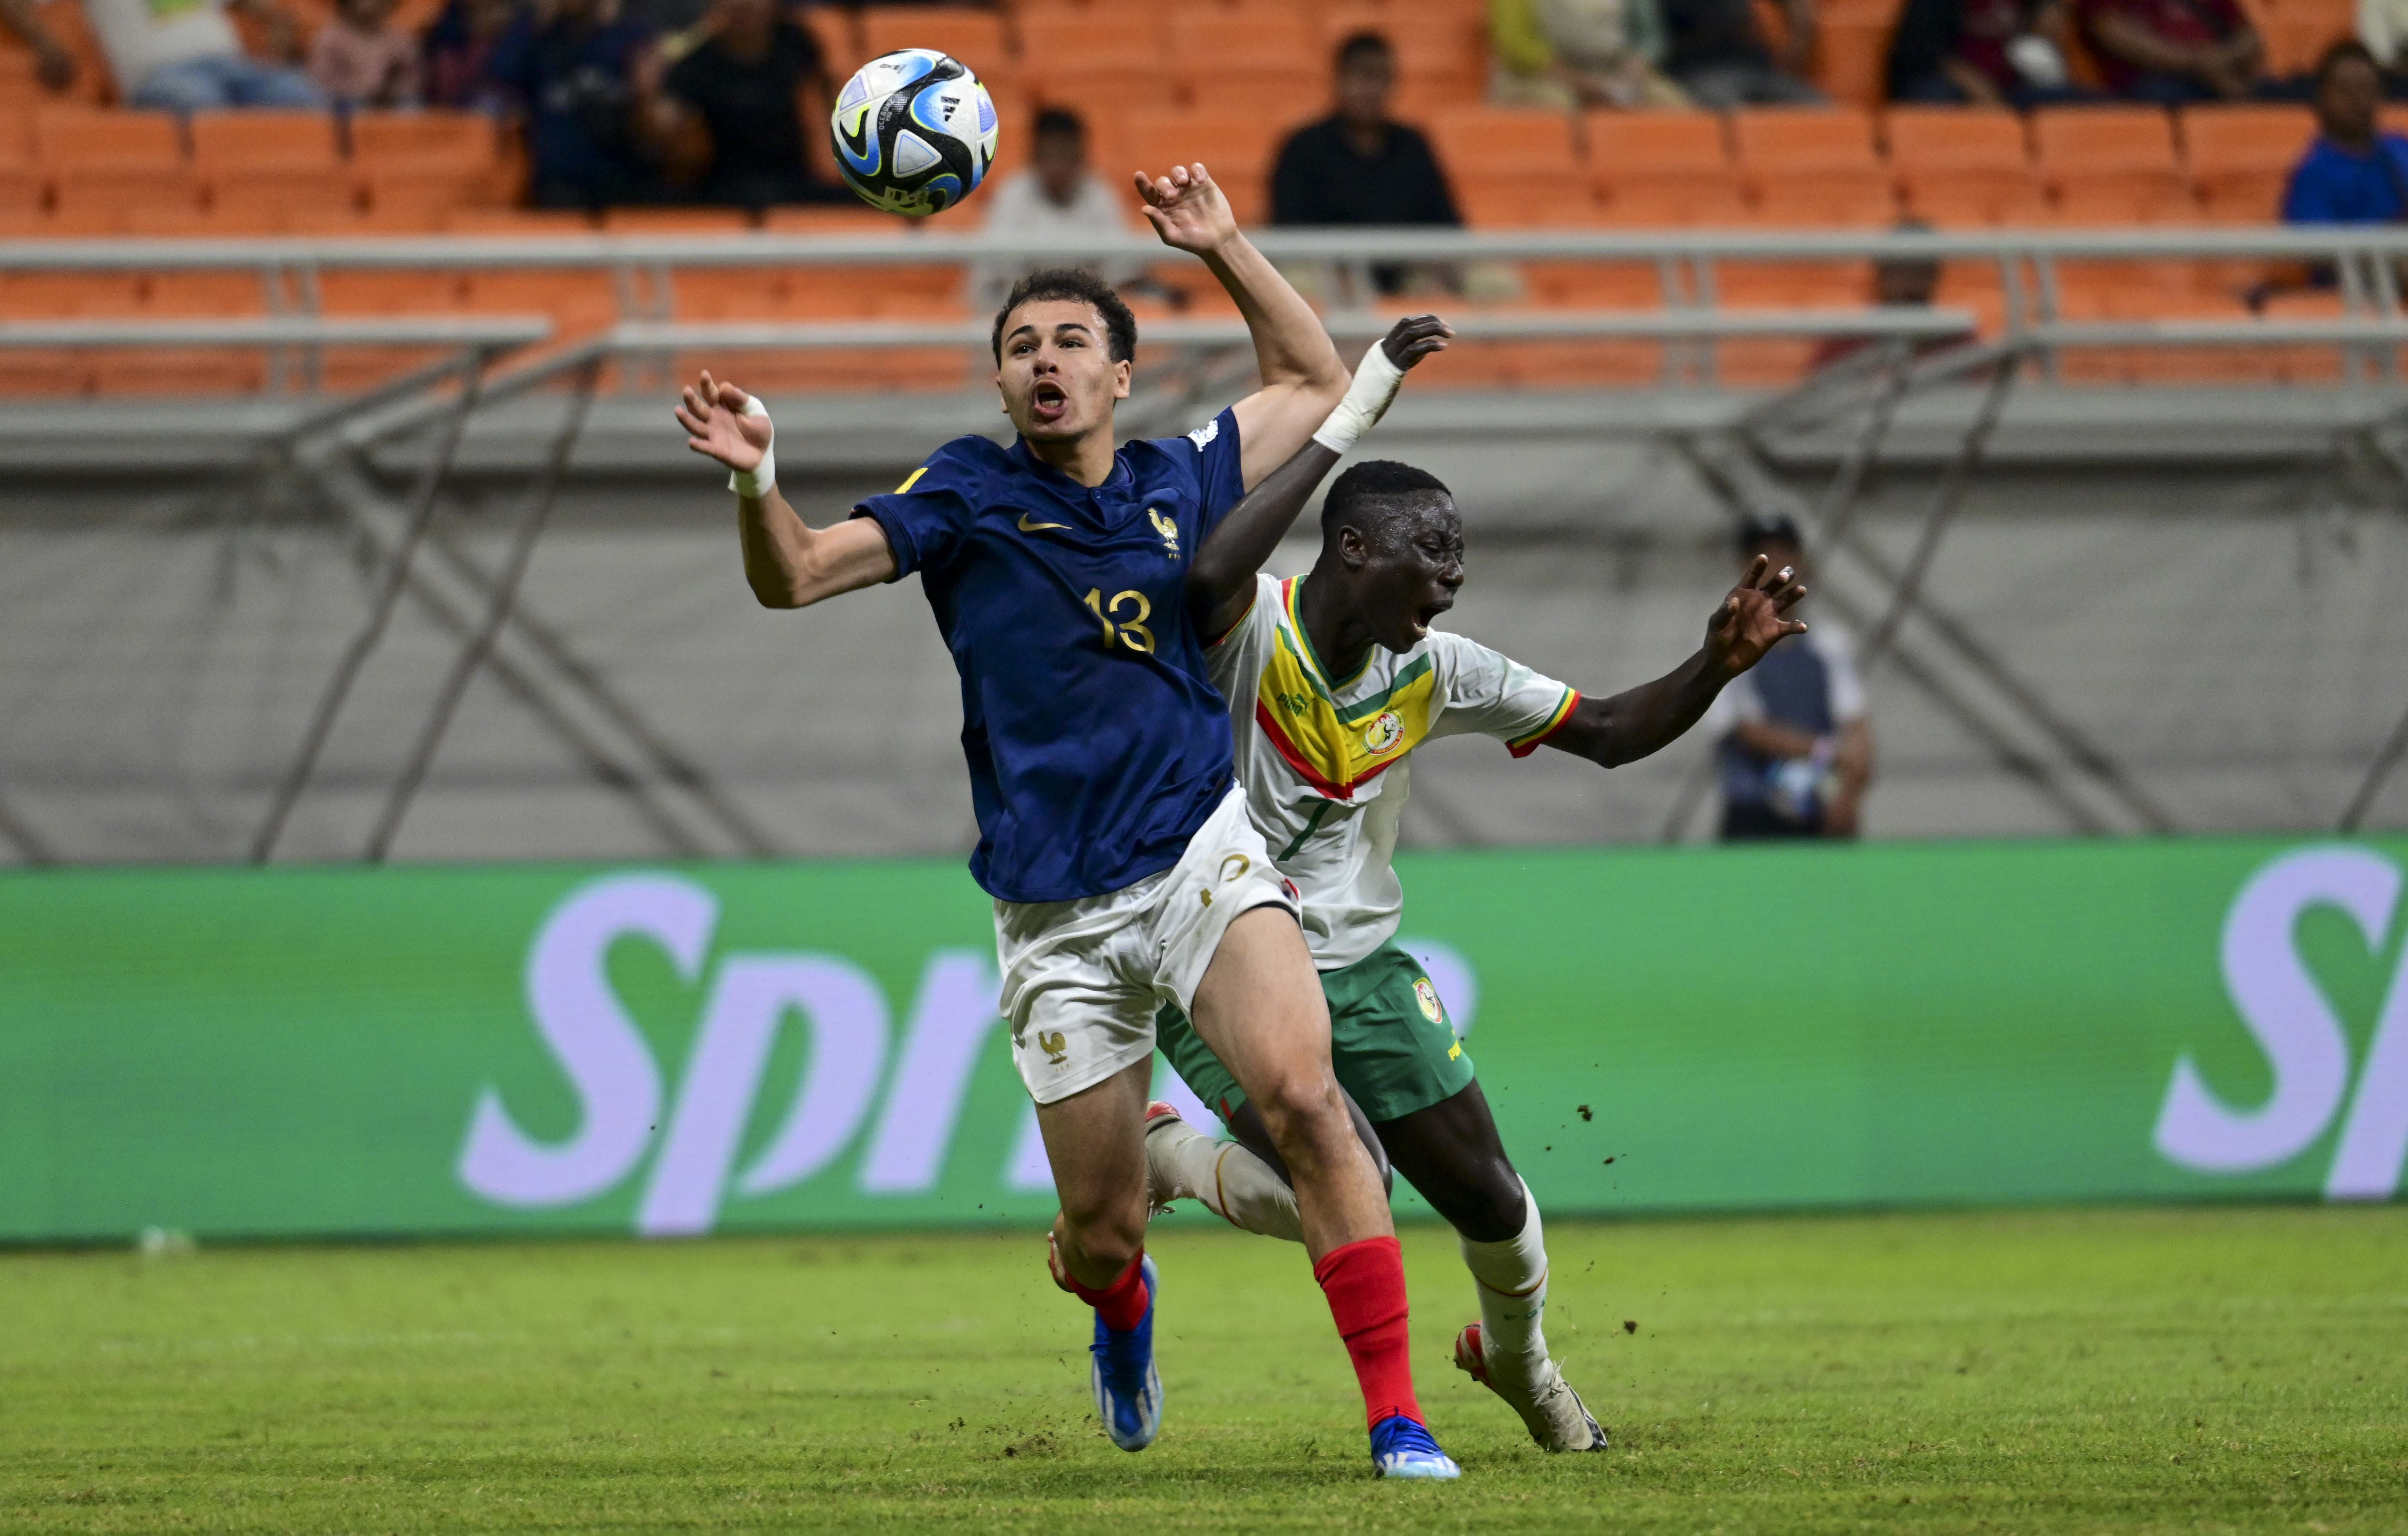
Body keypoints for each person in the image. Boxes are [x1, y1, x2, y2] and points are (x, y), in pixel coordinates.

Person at [672, 162, 1467, 1480]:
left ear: (1116, 375)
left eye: (1069, 344)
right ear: (999, 385)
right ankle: (1122, 1311)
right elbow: (798, 576)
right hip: (1051, 910)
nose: (1044, 362)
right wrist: (755, 482)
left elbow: (1316, 380)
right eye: (1019, 347)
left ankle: (1395, 1422)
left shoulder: (1181, 476)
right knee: (1098, 1236)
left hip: (1196, 856)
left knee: (1305, 1100)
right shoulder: (966, 497)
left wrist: (1221, 243)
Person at [1140, 451, 1808, 1451]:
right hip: (1217, 962)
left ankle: (1521, 1363)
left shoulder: (1441, 668)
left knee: (1492, 1196)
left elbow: (1615, 731)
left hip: (1359, 972)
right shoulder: (1247, 624)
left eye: (1461, 553)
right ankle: (1172, 1155)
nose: (1453, 575)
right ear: (1354, 548)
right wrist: (1346, 403)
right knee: (1346, 1175)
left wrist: (1715, 661)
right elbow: (1198, 577)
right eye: (1435, 549)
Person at [1704, 515, 1873, 840]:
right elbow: (1745, 729)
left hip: (1819, 813)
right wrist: (1828, 753)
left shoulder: (1829, 644)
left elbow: (1857, 725)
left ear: (1801, 564)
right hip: (1753, 815)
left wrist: (1848, 797)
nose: (1775, 570)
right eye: (1761, 560)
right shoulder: (1722, 646)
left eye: (1784, 556)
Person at [1271, 32, 1462, 296]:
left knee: (1492, 282)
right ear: (1339, 80)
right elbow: (1289, 229)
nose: (1372, 90)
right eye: (1362, 77)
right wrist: (1339, 267)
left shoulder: (1413, 146)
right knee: (1299, 285)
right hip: (1327, 272)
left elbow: (1447, 225)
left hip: (1408, 273)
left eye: (1381, 78)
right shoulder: (1303, 147)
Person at [647, 0, 835, 209]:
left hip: (793, 179)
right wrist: (650, 98)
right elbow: (667, 134)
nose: (744, 6)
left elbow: (826, 98)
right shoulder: (694, 66)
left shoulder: (795, 42)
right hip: (720, 187)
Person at [976, 108, 1149, 311]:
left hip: (1089, 311)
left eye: (1065, 154)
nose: (1058, 165)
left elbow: (1123, 271)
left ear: (1080, 155)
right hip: (1018, 308)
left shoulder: (1101, 194)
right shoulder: (1012, 194)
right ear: (1036, 156)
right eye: (1051, 154)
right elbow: (999, 272)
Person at [488, 0, 656, 209]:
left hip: (621, 178)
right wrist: (537, 23)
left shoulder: (630, 33)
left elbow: (650, 104)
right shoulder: (541, 36)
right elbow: (502, 76)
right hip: (556, 184)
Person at [0, 0, 323, 108]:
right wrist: (44, 43)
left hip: (231, 67)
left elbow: (260, 9)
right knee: (201, 106)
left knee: (301, 95)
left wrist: (277, 22)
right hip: (162, 76)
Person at [2284, 40, 2408, 223]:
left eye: (2368, 88)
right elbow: (2318, 248)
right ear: (2321, 99)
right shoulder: (2313, 176)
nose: (2359, 100)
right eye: (2347, 91)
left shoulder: (2400, 150)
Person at [1488, 0, 1688, 108]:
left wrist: (1636, 66)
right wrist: (1581, 82)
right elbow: (1518, 46)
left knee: (1673, 106)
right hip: (1536, 77)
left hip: (1614, 71)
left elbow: (1649, 37)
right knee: (1559, 109)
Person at [1886, 0, 2087, 105]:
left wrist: (2047, 24)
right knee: (1932, 98)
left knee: (2072, 102)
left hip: (2011, 88)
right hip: (1952, 86)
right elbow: (1921, 51)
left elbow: (2039, 38)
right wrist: (1980, 90)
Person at [2076, 0, 2271, 103]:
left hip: (2224, 75)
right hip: (2154, 82)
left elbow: (2251, 39)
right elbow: (2111, 31)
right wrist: (2197, 65)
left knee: (2288, 93)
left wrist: (2218, 63)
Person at [1659, 0, 1827, 107]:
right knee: (1743, 129)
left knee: (1825, 118)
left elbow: (1798, 10)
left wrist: (1796, 49)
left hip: (1757, 70)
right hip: (1700, 74)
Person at [309, 0, 421, 108]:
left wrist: (393, 90)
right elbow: (320, 86)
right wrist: (365, 90)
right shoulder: (329, 39)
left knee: (411, 108)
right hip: (344, 106)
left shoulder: (401, 41)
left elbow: (412, 83)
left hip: (392, 106)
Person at [422, 0, 516, 112]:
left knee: (488, 104)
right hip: (441, 96)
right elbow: (444, 60)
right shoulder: (453, 13)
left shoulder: (515, 17)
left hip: (490, 93)